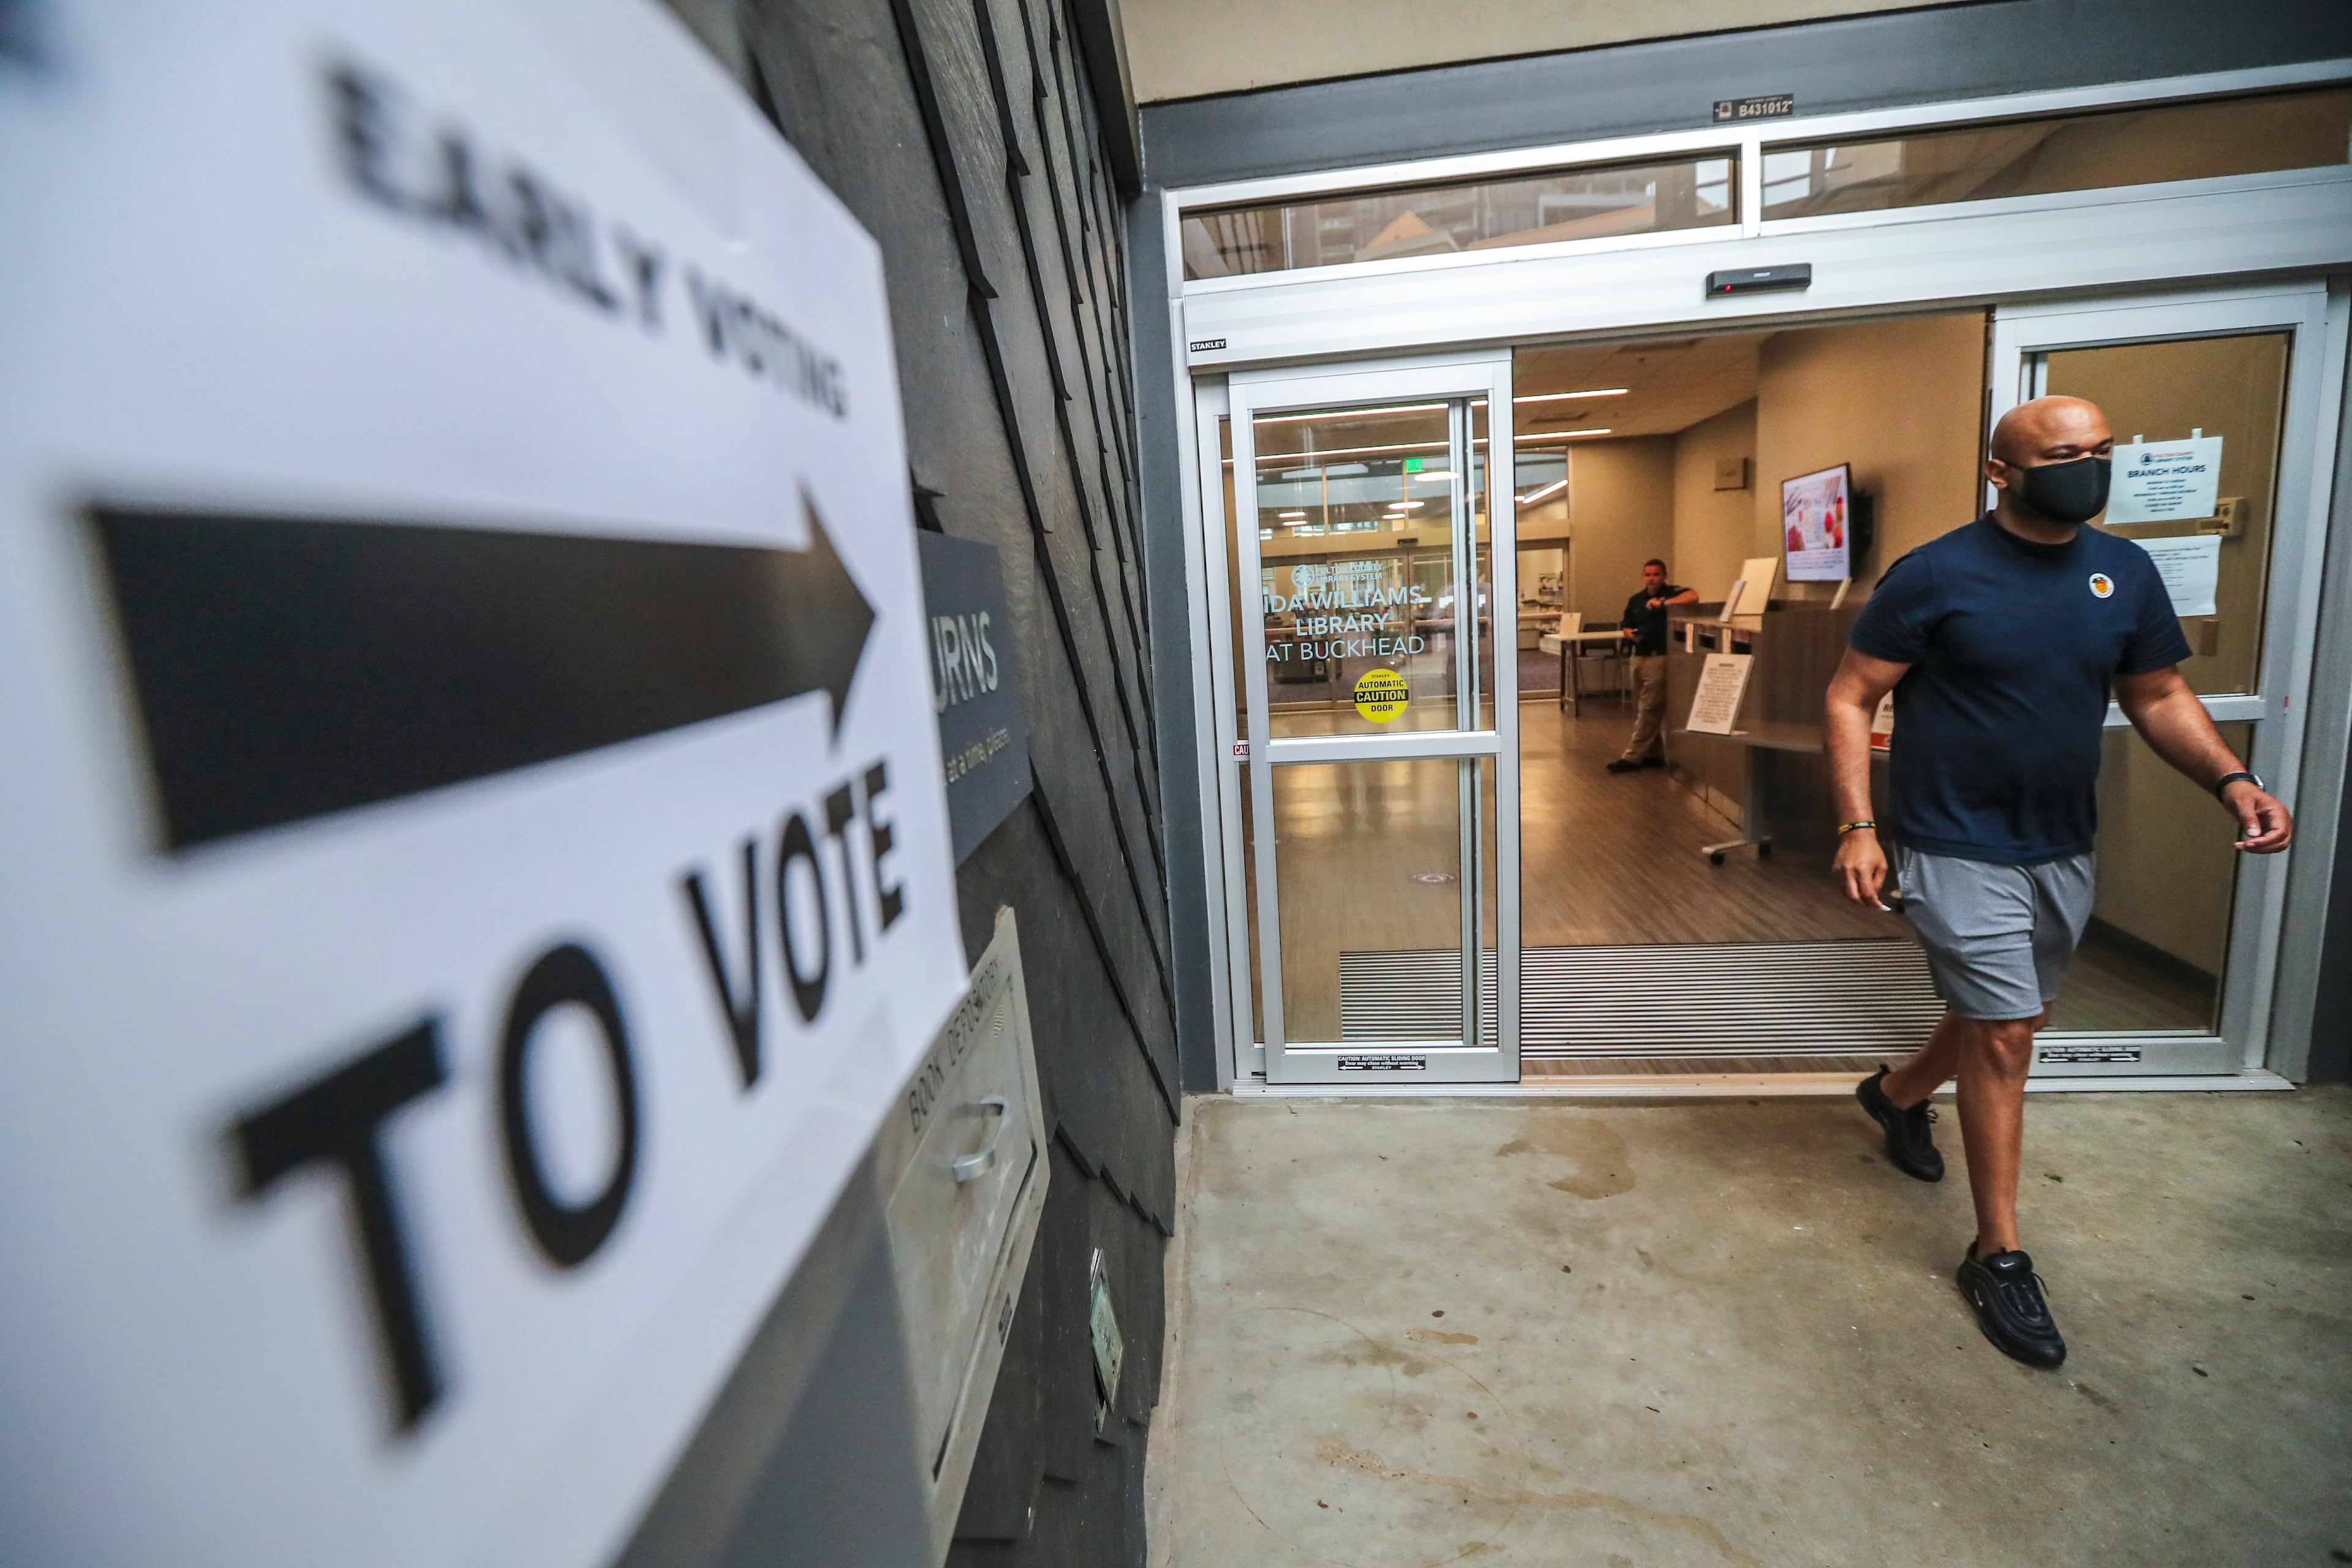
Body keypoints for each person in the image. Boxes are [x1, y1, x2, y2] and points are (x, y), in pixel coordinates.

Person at [1823, 394, 2292, 1368]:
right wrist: (1860, 825)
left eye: (2102, 451)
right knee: (2006, 1033)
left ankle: (1899, 1095)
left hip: (2061, 841)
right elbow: (1852, 692)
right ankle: (1998, 1253)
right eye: (2065, 455)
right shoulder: (1938, 574)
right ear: (2004, 474)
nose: (2090, 468)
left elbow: (2157, 693)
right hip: (1953, 841)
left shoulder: (2126, 573)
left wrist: (2232, 780)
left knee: (2008, 1010)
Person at [1605, 559, 1698, 773]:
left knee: (1650, 708)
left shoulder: (1673, 593)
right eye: (1647, 575)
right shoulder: (1636, 600)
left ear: (1664, 575)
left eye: (1655, 574)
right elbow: (1627, 626)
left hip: (1660, 658)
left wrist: (1664, 604)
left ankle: (1632, 756)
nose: (1651, 578)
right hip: (1639, 656)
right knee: (1642, 706)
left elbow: (1693, 597)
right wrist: (1631, 634)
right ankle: (1654, 754)